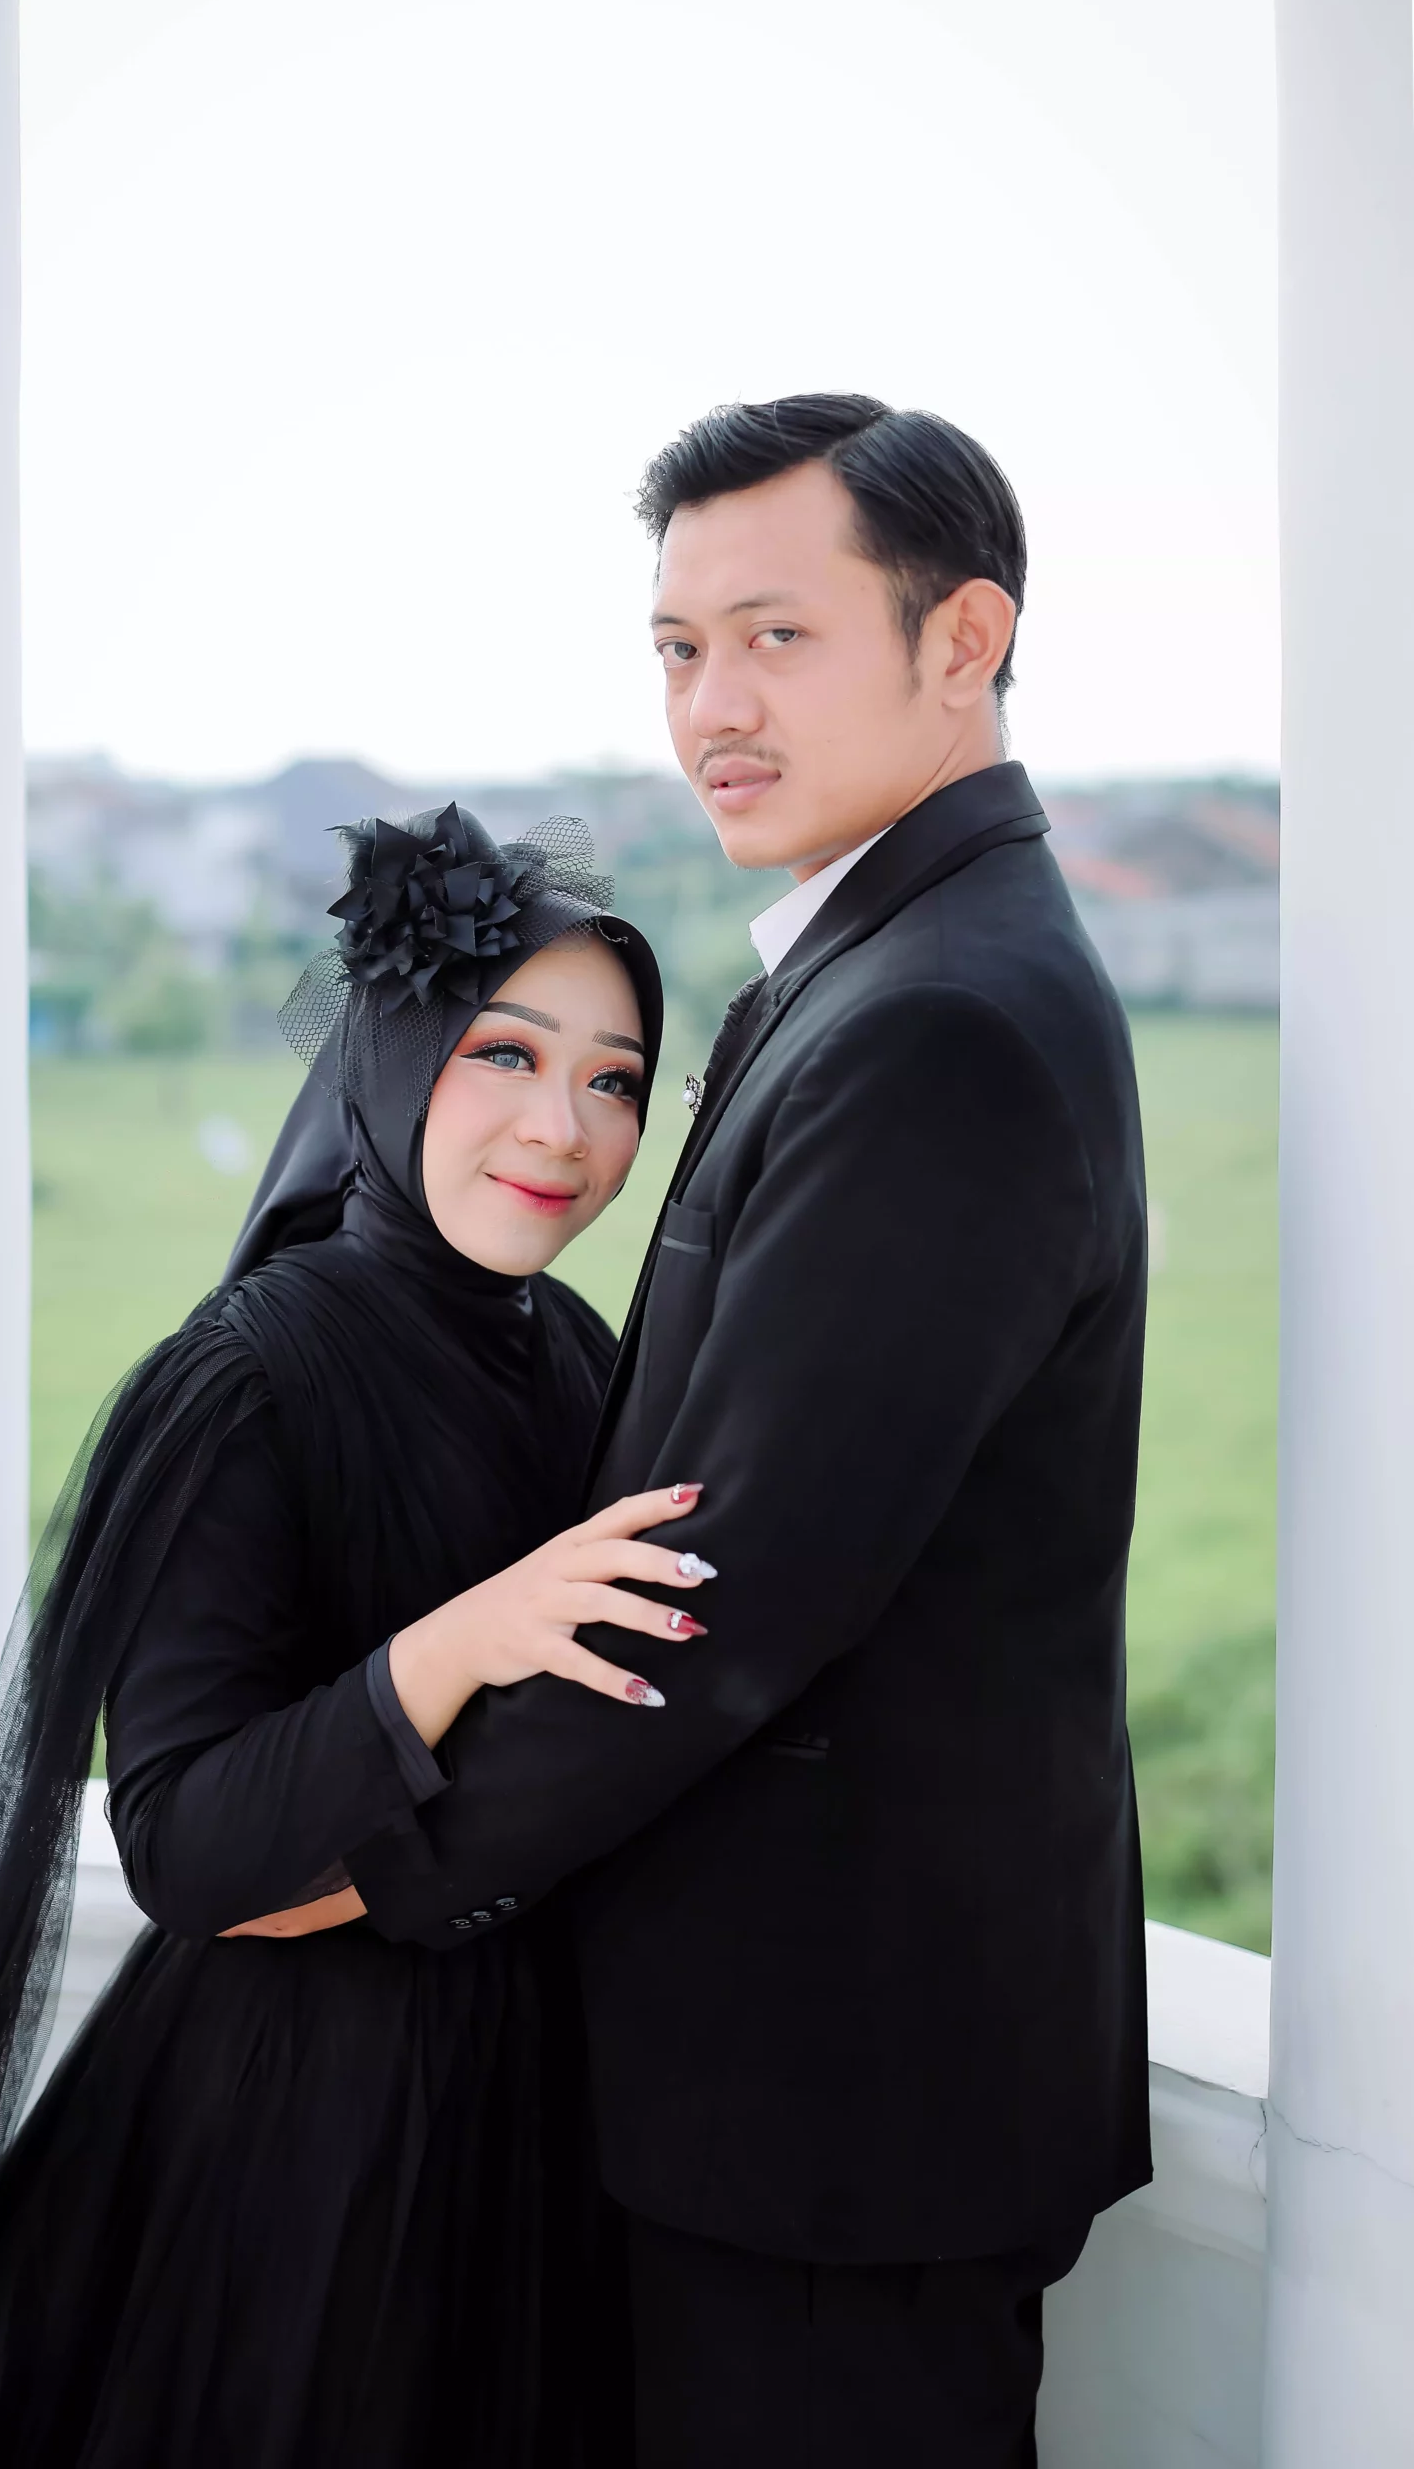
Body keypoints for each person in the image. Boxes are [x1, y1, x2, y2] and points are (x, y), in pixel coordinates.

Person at [344, 399, 1153, 2466]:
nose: (711, 706)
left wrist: (360, 1853)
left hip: (835, 2106)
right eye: (678, 647)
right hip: (798, 2074)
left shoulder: (940, 1016)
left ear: (962, 638)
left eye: (776, 637)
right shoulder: (880, 959)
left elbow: (729, 1590)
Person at [0, 805, 684, 2469]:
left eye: (613, 1082)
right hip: (304, 2152)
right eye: (505, 1055)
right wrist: (462, 1638)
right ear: (392, 1060)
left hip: (548, 2121)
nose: (563, 1128)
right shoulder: (246, 1377)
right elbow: (183, 1846)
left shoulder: (576, 1355)